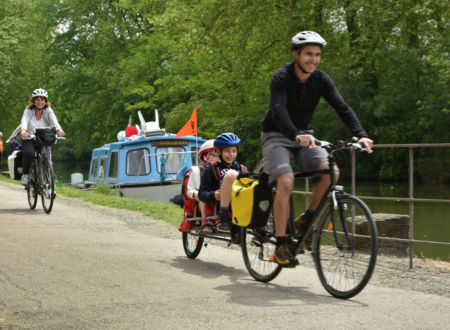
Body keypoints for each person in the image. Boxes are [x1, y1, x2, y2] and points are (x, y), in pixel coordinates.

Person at [261, 31, 373, 267]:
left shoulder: (321, 79)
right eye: (308, 54)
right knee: (287, 180)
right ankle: (281, 243)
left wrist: (361, 135)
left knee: (331, 172)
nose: (313, 59)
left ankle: (307, 220)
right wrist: (295, 134)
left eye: (317, 55)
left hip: (305, 136)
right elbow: (277, 110)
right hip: (276, 135)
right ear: (296, 54)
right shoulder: (281, 76)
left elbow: (342, 107)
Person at [199, 133, 247, 233]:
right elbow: (202, 194)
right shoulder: (211, 169)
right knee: (231, 175)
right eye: (227, 151)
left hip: (240, 204)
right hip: (219, 205)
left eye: (234, 151)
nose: (231, 154)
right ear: (218, 152)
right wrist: (213, 195)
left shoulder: (241, 168)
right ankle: (223, 218)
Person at [18, 88, 65, 186]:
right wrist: (23, 130)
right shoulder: (28, 110)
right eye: (38, 99)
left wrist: (59, 130)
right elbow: (24, 120)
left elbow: (54, 120)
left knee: (47, 160)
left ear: (45, 101)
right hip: (29, 136)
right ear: (34, 101)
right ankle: (26, 174)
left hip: (44, 137)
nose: (40, 102)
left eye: (42, 99)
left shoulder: (48, 110)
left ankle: (48, 183)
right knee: (29, 154)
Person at [185, 139, 220, 232]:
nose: (218, 158)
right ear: (205, 156)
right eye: (214, 155)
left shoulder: (222, 170)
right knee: (201, 193)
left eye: (219, 156)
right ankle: (205, 221)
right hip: (201, 199)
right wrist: (195, 194)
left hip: (217, 197)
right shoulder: (196, 171)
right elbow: (189, 190)